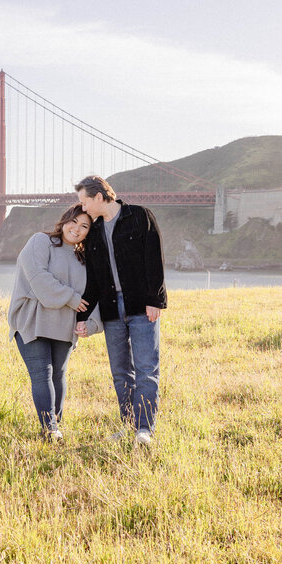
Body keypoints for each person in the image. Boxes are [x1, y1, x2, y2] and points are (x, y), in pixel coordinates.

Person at [74, 175, 166, 446]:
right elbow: (93, 278)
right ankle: (128, 426)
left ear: (100, 197)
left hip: (141, 305)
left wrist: (155, 300)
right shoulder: (95, 231)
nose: (83, 208)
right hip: (111, 309)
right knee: (120, 372)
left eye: (84, 202)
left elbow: (155, 260)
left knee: (146, 367)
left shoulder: (140, 216)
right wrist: (82, 315)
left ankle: (144, 429)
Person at [7, 204, 92, 441]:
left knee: (58, 375)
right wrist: (72, 299)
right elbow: (39, 280)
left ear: (88, 233)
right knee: (42, 374)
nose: (76, 229)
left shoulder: (84, 259)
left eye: (84, 226)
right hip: (32, 320)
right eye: (73, 222)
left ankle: (55, 427)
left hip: (64, 325)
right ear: (65, 220)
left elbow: (91, 296)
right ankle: (51, 429)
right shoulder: (41, 241)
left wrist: (88, 321)